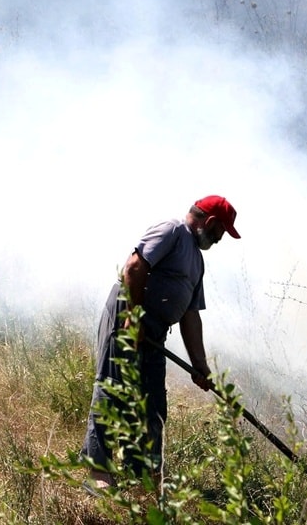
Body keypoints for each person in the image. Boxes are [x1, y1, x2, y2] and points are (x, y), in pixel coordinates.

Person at [80, 195, 240, 491]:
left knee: (152, 405)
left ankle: (139, 475)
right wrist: (134, 316)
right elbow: (133, 268)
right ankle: (97, 473)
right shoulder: (172, 231)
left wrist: (200, 366)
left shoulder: (197, 261)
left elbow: (190, 314)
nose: (219, 240)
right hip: (128, 320)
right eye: (221, 233)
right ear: (212, 222)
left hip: (154, 334)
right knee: (112, 389)